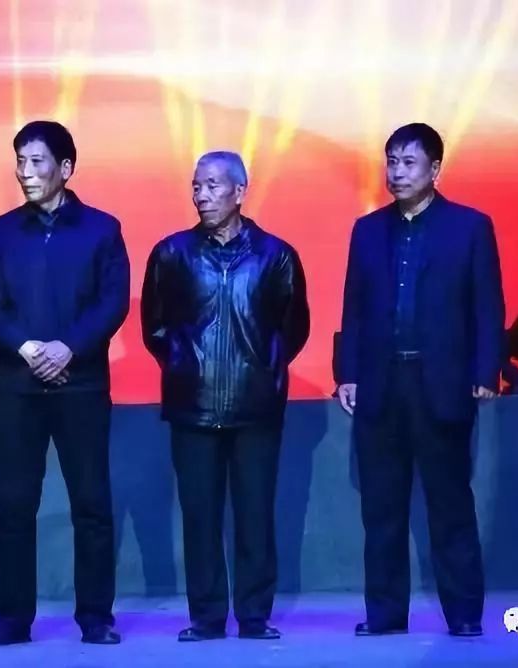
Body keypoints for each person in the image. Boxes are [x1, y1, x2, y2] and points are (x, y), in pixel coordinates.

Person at [337, 123, 505, 637]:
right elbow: (354, 307)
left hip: (443, 384)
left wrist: (485, 370)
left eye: (409, 163)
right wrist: (347, 372)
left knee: (450, 504)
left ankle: (465, 614)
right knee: (381, 508)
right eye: (391, 161)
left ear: (435, 169)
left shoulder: (469, 227)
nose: (397, 172)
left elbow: (487, 304)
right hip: (382, 384)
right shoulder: (367, 230)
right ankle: (386, 615)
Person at [0, 120, 129, 646]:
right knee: (15, 505)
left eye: (36, 161)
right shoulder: (0, 232)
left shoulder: (102, 230)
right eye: (20, 161)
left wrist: (69, 348)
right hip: (17, 388)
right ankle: (13, 618)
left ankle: (96, 617)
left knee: (92, 504)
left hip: (81, 385)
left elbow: (112, 302)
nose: (25, 172)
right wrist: (28, 348)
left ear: (65, 167)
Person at [141, 151, 310, 641]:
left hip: (256, 407)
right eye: (196, 186)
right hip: (192, 406)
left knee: (255, 516)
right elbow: (155, 326)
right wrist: (183, 365)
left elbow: (293, 327)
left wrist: (263, 368)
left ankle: (254, 616)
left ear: (240, 191)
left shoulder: (276, 255)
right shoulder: (171, 253)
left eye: (213, 186)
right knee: (200, 518)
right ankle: (207, 617)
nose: (202, 195)